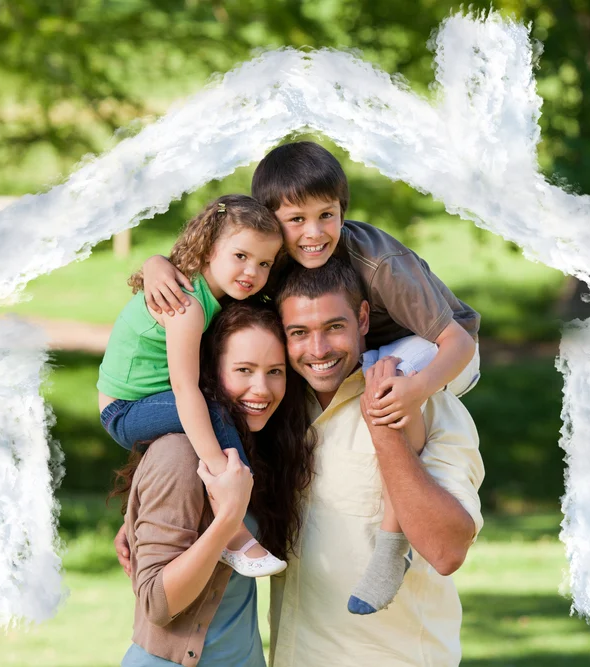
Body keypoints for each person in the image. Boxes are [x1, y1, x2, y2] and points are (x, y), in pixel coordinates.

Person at [139, 141, 482, 613]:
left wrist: (413, 391)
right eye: (296, 220)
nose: (314, 233)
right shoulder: (269, 258)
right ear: (270, 220)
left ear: (344, 211)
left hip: (438, 346)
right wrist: (155, 264)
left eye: (327, 215)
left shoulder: (379, 261)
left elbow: (458, 343)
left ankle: (391, 545)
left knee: (388, 385)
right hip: (353, 350)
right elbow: (210, 257)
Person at [269, 256, 484, 666]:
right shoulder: (280, 409)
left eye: (334, 327)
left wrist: (385, 432)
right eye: (299, 332)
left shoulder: (431, 406)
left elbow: (446, 549)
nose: (318, 350)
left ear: (363, 318)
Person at [110, 301, 316, 667]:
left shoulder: (253, 448)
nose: (262, 388)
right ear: (212, 373)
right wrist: (226, 522)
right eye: (243, 370)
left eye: (275, 371)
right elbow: (157, 603)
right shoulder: (178, 455)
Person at [98, 194, 287, 576]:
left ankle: (237, 508)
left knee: (216, 409)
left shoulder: (211, 296)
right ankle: (233, 527)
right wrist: (225, 474)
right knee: (215, 411)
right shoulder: (187, 307)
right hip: (126, 411)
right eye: (241, 256)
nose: (252, 271)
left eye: (264, 263)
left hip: (151, 401)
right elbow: (186, 391)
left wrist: (155, 262)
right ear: (209, 248)